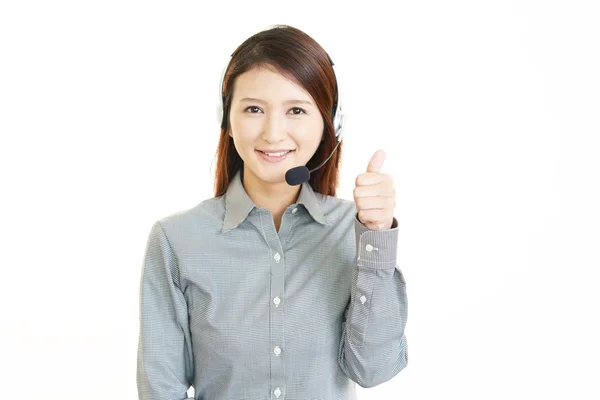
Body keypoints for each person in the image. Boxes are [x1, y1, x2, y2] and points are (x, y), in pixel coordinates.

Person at [136, 24, 408, 400]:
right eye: (253, 109)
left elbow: (374, 369)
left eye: (296, 109)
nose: (273, 132)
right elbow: (160, 389)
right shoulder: (176, 240)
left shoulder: (354, 230)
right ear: (226, 120)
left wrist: (376, 235)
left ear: (331, 122)